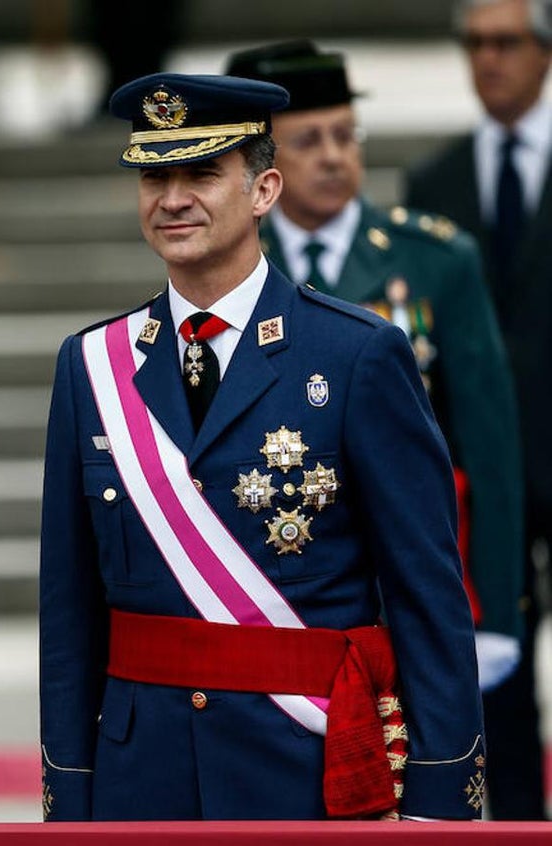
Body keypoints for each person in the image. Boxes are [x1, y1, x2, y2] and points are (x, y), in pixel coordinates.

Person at [39, 72, 485, 821]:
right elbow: (69, 611)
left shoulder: (357, 354)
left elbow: (425, 591)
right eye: (154, 176)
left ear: (265, 190)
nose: (172, 199)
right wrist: (70, 792)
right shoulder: (91, 366)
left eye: (202, 173)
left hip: (304, 765)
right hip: (141, 777)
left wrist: (440, 799)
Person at [225, 40, 525, 697]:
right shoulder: (231, 263)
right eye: (307, 141)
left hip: (411, 575)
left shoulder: (435, 261)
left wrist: (499, 612)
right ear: (259, 167)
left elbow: (490, 448)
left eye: (345, 134)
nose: (334, 156)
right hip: (275, 584)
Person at [405, 0, 551, 820]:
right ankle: (526, 826)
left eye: (506, 43)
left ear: (545, 53)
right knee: (500, 673)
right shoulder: (436, 181)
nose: (488, 59)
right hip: (484, 468)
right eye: (475, 44)